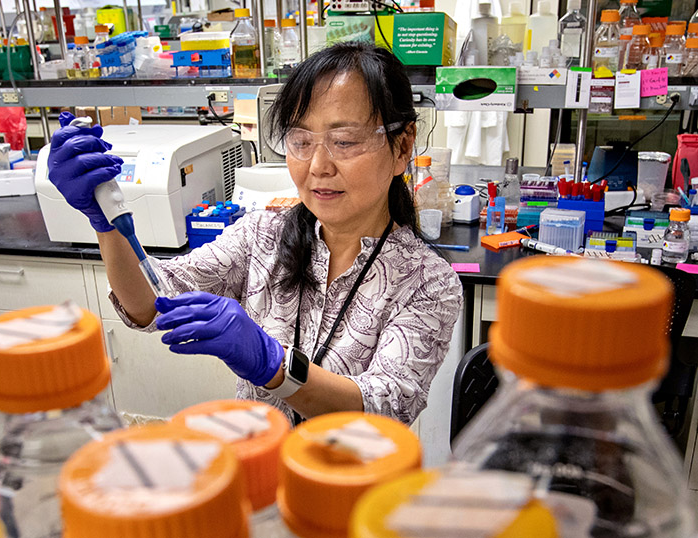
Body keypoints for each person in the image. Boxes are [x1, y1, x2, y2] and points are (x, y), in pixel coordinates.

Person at [47, 42, 463, 426]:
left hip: (352, 492)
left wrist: (273, 365)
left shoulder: (429, 281)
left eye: (345, 141)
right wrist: (104, 219)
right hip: (261, 474)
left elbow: (385, 406)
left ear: (403, 147)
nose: (318, 164)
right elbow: (152, 303)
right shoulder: (263, 236)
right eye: (301, 140)